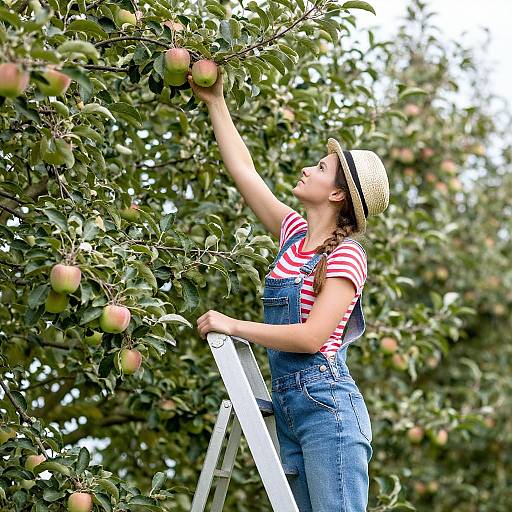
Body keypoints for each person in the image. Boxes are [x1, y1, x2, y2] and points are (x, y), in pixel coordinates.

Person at [191, 68, 390, 511]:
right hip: (290, 410)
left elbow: (311, 337)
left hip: (328, 412)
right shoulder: (294, 235)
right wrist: (215, 101)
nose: (307, 167)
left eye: (321, 168)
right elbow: (243, 170)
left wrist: (233, 324)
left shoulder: (345, 257)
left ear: (338, 195)